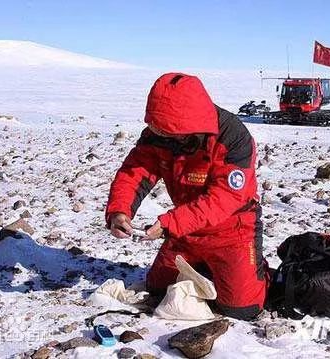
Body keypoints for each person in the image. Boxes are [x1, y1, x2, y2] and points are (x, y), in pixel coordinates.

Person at [105, 73, 268, 320]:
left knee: (242, 310)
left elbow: (224, 198)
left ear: (185, 125)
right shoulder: (158, 133)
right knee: (158, 291)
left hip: (233, 229)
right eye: (154, 125)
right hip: (186, 231)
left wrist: (170, 224)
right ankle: (206, 267)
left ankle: (254, 270)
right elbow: (135, 172)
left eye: (164, 129)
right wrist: (119, 211)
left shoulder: (233, 137)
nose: (155, 131)